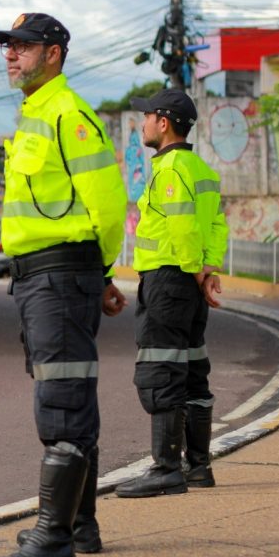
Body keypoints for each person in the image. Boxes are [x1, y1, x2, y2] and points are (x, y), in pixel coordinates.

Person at [0, 13, 128, 557]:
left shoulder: (69, 116)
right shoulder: (33, 116)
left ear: (54, 54)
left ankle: (52, 541)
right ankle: (78, 528)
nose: (10, 55)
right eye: (7, 47)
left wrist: (101, 271)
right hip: (43, 277)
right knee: (63, 389)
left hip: (60, 273)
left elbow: (109, 206)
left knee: (63, 401)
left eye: (22, 46)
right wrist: (100, 278)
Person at [114, 89, 228, 499]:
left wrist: (197, 272)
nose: (142, 123)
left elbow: (182, 229)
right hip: (189, 284)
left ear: (163, 123)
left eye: (146, 116)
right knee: (193, 370)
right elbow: (215, 226)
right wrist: (208, 270)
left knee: (161, 371)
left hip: (169, 280)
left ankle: (166, 469)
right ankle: (198, 468)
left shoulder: (171, 169)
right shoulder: (201, 169)